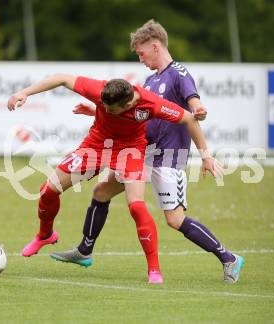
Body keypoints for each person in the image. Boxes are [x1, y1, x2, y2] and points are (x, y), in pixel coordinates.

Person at [50, 19, 245, 284]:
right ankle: (84, 250)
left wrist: (204, 142)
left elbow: (193, 107)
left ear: (155, 46)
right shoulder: (150, 80)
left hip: (168, 156)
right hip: (143, 154)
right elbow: (135, 115)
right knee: (101, 191)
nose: (140, 59)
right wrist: (96, 110)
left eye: (141, 53)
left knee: (175, 219)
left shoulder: (179, 73)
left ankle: (229, 258)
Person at [7, 72, 222, 284]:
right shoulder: (100, 90)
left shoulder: (152, 104)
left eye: (110, 109)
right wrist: (24, 92)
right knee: (48, 190)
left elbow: (189, 119)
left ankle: (154, 270)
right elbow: (62, 78)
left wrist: (206, 156)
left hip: (131, 152)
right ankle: (45, 235)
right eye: (103, 106)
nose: (105, 110)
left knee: (137, 206)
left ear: (128, 104)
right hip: (96, 146)